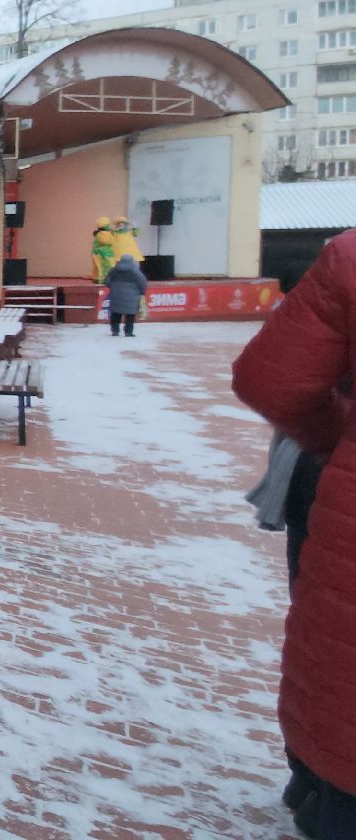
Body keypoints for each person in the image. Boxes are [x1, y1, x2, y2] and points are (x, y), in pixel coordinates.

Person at [233, 230, 356, 840]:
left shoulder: (349, 259)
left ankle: (312, 781)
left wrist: (335, 439)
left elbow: (271, 379)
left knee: (332, 642)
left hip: (339, 495)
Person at [105, 253, 149, 338]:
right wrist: (141, 292)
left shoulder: (113, 270)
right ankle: (128, 332)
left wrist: (114, 287)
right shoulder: (135, 271)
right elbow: (143, 282)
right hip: (132, 297)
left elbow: (107, 281)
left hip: (116, 295)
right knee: (130, 315)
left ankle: (115, 331)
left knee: (115, 314)